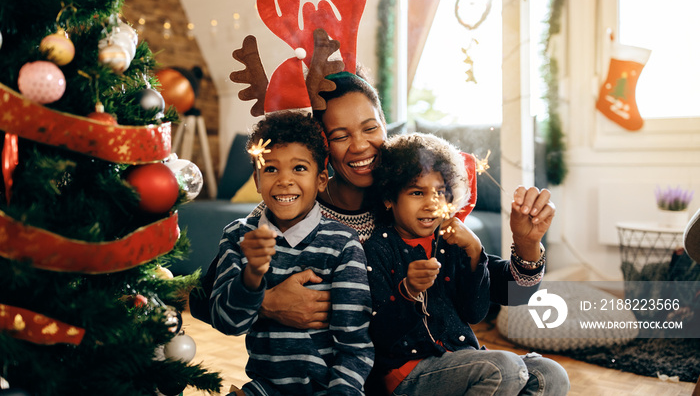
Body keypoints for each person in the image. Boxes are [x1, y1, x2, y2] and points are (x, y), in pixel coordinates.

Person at [259, 72, 551, 326]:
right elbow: (212, 297)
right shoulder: (291, 208)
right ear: (322, 143)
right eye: (339, 136)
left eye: (370, 128)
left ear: (386, 125)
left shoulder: (414, 205)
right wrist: (265, 303)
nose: (360, 145)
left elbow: (514, 293)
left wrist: (527, 244)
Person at [363, 132, 569, 395]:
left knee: (551, 374)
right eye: (417, 192)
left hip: (461, 364)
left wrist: (476, 251)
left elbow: (478, 311)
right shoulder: (377, 249)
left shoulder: (454, 243)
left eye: (441, 192)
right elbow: (379, 336)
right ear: (389, 198)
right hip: (407, 378)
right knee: (504, 368)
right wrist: (408, 291)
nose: (431, 204)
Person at [209, 111, 374, 395]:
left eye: (299, 168)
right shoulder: (237, 236)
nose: (284, 180)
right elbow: (227, 323)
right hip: (264, 388)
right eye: (271, 169)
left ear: (321, 179)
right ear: (257, 180)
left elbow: (355, 345)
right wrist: (251, 278)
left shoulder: (343, 243)